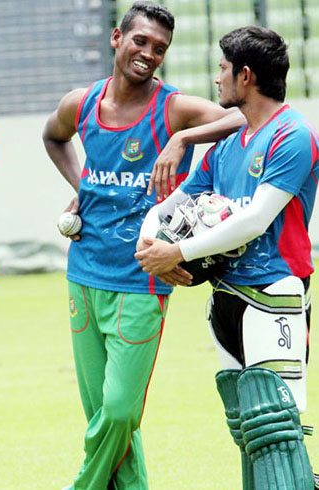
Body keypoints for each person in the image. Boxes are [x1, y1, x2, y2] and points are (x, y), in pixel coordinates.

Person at [42, 2, 245, 489]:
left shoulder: (171, 107)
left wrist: (182, 140)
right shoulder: (83, 102)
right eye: (140, 41)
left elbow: (239, 118)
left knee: (117, 411)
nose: (149, 54)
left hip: (141, 279)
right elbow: (53, 136)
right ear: (116, 38)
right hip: (84, 274)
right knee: (106, 417)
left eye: (160, 49)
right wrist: (82, 186)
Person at [135, 26, 318, 490]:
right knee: (248, 428)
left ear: (246, 76)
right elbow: (170, 204)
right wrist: (149, 243)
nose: (217, 79)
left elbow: (256, 219)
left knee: (275, 424)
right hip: (224, 295)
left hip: (274, 289)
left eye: (222, 69)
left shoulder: (293, 136)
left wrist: (178, 251)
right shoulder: (226, 147)